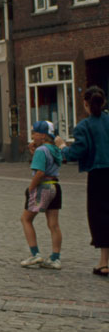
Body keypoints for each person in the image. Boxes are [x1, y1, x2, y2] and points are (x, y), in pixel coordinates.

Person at [55, 86, 109, 277]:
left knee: (100, 216)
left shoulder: (83, 126)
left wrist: (62, 147)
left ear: (86, 104)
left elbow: (77, 152)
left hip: (98, 174)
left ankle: (104, 262)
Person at [19, 121, 63, 269]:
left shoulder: (41, 150)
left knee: (26, 219)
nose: (33, 136)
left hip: (42, 187)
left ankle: (35, 254)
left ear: (43, 135)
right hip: (55, 187)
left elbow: (40, 172)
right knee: (53, 224)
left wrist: (31, 188)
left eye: (35, 133)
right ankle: (55, 258)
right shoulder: (55, 149)